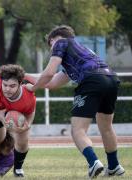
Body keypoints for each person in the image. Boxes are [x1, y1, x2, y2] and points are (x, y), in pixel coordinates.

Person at [25, 25, 125, 178]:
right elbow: (51, 83)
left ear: (53, 40)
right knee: (106, 127)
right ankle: (114, 166)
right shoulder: (78, 53)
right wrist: (25, 76)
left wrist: (32, 89)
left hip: (92, 80)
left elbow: (49, 72)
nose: (51, 49)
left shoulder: (60, 43)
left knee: (77, 130)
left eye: (50, 46)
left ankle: (93, 162)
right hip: (111, 79)